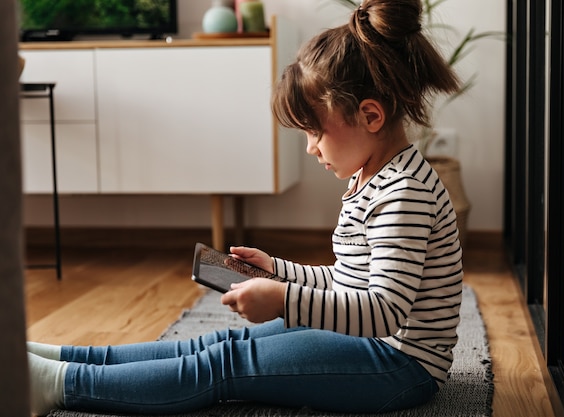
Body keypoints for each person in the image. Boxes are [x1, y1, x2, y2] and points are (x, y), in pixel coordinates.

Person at [27, 0, 463, 415]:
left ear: (370, 117)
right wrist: (277, 271)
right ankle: (66, 360)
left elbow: (383, 310)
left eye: (314, 131)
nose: (310, 148)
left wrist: (283, 299)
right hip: (370, 344)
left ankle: (58, 384)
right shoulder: (371, 177)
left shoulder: (403, 193)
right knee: (210, 347)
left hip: (398, 367)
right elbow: (349, 280)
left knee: (228, 364)